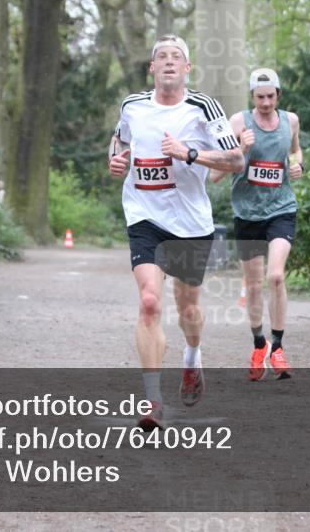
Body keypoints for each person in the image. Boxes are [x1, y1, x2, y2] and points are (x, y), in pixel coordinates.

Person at [109, 34, 244, 431]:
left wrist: (189, 153)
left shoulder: (204, 107)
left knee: (188, 309)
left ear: (187, 68)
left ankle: (192, 356)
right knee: (150, 302)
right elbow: (120, 141)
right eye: (161, 57)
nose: (169, 62)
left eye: (177, 57)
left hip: (189, 224)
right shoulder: (132, 105)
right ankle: (153, 399)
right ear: (151, 68)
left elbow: (235, 158)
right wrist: (116, 160)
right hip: (144, 217)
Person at [210, 68, 302, 381]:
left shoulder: (290, 121)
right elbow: (216, 173)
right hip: (247, 213)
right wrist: (241, 149)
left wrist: (297, 162)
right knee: (254, 284)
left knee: (275, 276)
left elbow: (295, 149)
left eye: (270, 97)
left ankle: (277, 347)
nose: (265, 102)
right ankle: (258, 343)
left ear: (278, 95)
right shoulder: (237, 123)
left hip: (281, 208)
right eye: (260, 97)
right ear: (252, 97)